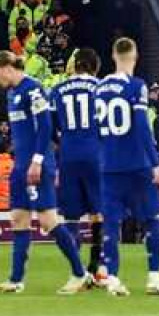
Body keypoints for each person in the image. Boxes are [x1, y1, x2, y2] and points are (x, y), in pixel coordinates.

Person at [0, 51, 89, 294]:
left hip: (36, 165)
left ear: (8, 67)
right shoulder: (12, 93)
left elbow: (45, 127)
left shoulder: (34, 90)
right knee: (18, 219)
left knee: (47, 220)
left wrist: (38, 161)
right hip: (20, 165)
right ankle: (15, 280)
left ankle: (79, 273)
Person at [94, 37, 159, 297]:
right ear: (135, 56)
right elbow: (142, 126)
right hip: (136, 165)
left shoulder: (99, 88)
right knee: (152, 220)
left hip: (108, 166)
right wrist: (155, 163)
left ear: (113, 55)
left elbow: (96, 129)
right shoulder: (136, 86)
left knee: (110, 223)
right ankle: (154, 277)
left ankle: (113, 278)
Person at [52, 48, 106, 278]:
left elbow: (50, 127)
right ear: (94, 66)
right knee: (98, 211)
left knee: (71, 214)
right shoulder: (102, 88)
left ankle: (77, 271)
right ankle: (97, 265)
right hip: (96, 154)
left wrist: (62, 143)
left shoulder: (57, 90)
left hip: (68, 154)